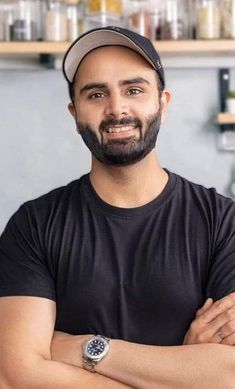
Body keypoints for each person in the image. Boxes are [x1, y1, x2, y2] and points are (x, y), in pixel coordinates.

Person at [0, 26, 235, 388]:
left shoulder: (223, 223)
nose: (116, 108)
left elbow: (229, 373)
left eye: (134, 90)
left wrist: (82, 349)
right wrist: (183, 373)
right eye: (96, 94)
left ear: (163, 103)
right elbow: (16, 375)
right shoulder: (33, 225)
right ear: (74, 111)